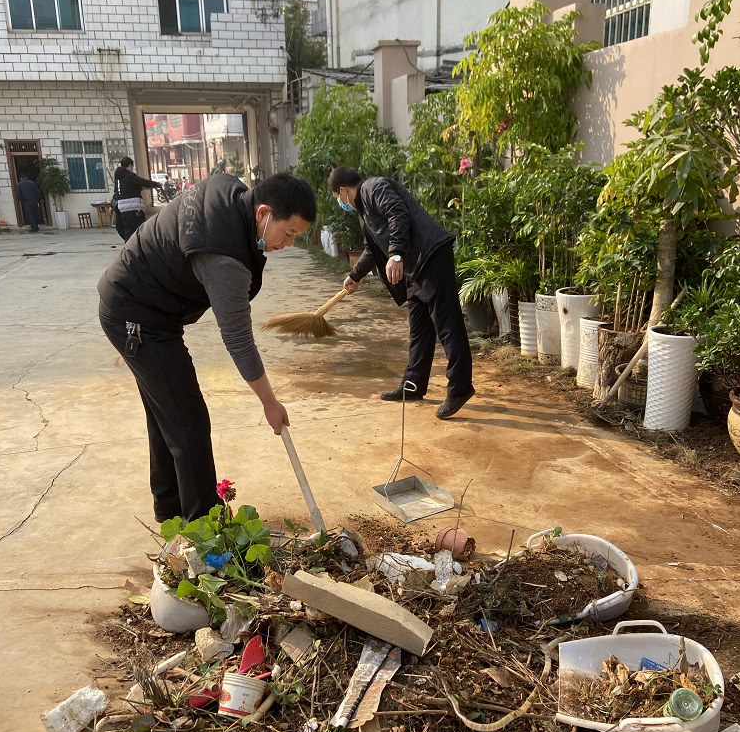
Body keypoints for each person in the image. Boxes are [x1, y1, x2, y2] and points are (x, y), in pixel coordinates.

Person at [98, 171, 316, 523]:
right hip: (136, 315)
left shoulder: (232, 192)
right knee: (188, 423)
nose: (288, 243)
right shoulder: (223, 259)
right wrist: (269, 402)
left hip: (144, 305)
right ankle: (205, 534)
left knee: (167, 415)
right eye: (288, 232)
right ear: (262, 213)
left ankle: (170, 510)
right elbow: (238, 339)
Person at [329, 165, 475, 420]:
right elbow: (372, 250)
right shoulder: (364, 211)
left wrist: (396, 253)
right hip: (415, 267)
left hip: (431, 256)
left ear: (342, 190)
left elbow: (398, 213)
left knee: (448, 325)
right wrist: (355, 275)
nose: (341, 203)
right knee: (419, 330)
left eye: (338, 198)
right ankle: (414, 385)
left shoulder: (373, 187)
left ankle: (460, 388)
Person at [112, 157, 162, 242]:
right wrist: (156, 184)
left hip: (123, 209)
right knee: (141, 229)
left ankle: (129, 248)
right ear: (130, 165)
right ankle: (143, 247)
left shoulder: (118, 179)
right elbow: (143, 182)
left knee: (129, 230)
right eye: (132, 166)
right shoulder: (129, 175)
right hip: (133, 208)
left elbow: (123, 190)